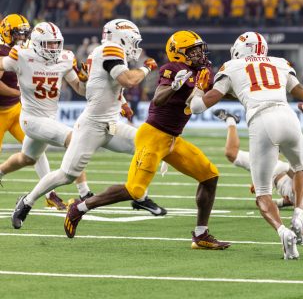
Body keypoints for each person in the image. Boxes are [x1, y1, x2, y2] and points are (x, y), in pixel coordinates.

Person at [63, 30, 230, 250]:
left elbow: (208, 95)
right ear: (178, 53)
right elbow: (159, 99)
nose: (199, 53)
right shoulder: (173, 69)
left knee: (210, 176)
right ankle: (80, 207)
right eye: (193, 50)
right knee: (134, 190)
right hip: (153, 136)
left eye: (200, 49)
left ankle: (201, 235)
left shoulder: (201, 71)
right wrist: (174, 86)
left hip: (172, 139)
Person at [12, 19, 163, 228]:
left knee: (146, 147)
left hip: (110, 124)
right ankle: (27, 201)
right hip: (91, 126)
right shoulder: (111, 50)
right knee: (66, 175)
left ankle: (139, 196)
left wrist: (123, 103)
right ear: (122, 39)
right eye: (133, 41)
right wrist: (147, 69)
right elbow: (128, 80)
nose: (136, 47)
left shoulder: (104, 53)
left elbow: (96, 87)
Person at [189, 31, 303, 260]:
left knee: (262, 194)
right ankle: (299, 214)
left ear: (240, 49)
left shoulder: (232, 66)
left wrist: (198, 89)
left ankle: (283, 232)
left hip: (262, 120)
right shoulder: (280, 63)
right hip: (288, 116)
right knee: (300, 169)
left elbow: (198, 107)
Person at [0, 22, 88, 209]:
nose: (54, 48)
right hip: (30, 119)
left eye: (57, 43)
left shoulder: (64, 59)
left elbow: (80, 90)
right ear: (38, 43)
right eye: (49, 44)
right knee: (75, 139)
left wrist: (84, 78)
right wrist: (9, 57)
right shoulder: (22, 56)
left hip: (47, 119)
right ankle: (85, 194)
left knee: (28, 158)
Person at [213, 108, 303, 212]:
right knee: (231, 153)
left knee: (232, 154)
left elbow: (292, 199)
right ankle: (231, 120)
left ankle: (232, 120)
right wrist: (262, 179)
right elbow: (290, 170)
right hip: (273, 168)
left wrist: (276, 203)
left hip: (274, 178)